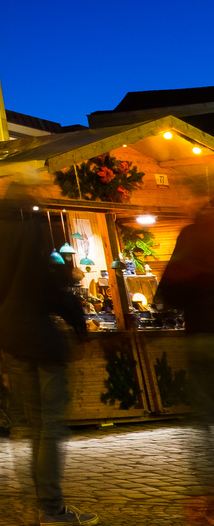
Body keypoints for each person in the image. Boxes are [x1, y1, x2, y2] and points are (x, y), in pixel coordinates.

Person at [0, 196, 95, 526]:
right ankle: (52, 509)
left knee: (36, 426)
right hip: (43, 340)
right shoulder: (33, 232)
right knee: (51, 426)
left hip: (12, 341)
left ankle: (46, 505)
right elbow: (53, 287)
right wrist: (79, 325)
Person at [156, 193, 214, 516]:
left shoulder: (192, 236)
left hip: (202, 335)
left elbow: (166, 293)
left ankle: (207, 494)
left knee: (204, 418)